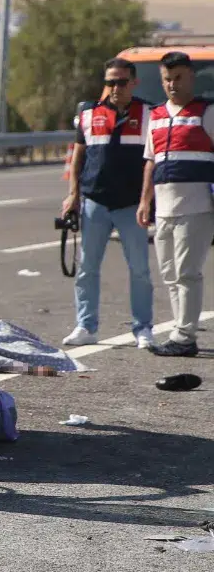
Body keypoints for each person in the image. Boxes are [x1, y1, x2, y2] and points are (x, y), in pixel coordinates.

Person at [61, 58, 154, 348]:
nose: (116, 88)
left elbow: (153, 161)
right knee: (87, 268)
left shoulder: (149, 113)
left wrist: (147, 200)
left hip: (131, 204)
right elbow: (78, 157)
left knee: (139, 270)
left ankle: (143, 328)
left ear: (134, 83)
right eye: (110, 82)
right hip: (95, 202)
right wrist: (73, 194)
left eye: (122, 82)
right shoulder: (89, 113)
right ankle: (85, 326)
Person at [137, 51, 214, 357]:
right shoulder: (156, 115)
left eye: (178, 78)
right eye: (167, 79)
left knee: (187, 272)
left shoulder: (207, 112)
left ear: (191, 77)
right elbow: (150, 161)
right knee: (169, 273)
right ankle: (180, 332)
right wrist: (145, 201)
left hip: (197, 206)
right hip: (164, 209)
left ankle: (185, 336)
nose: (172, 84)